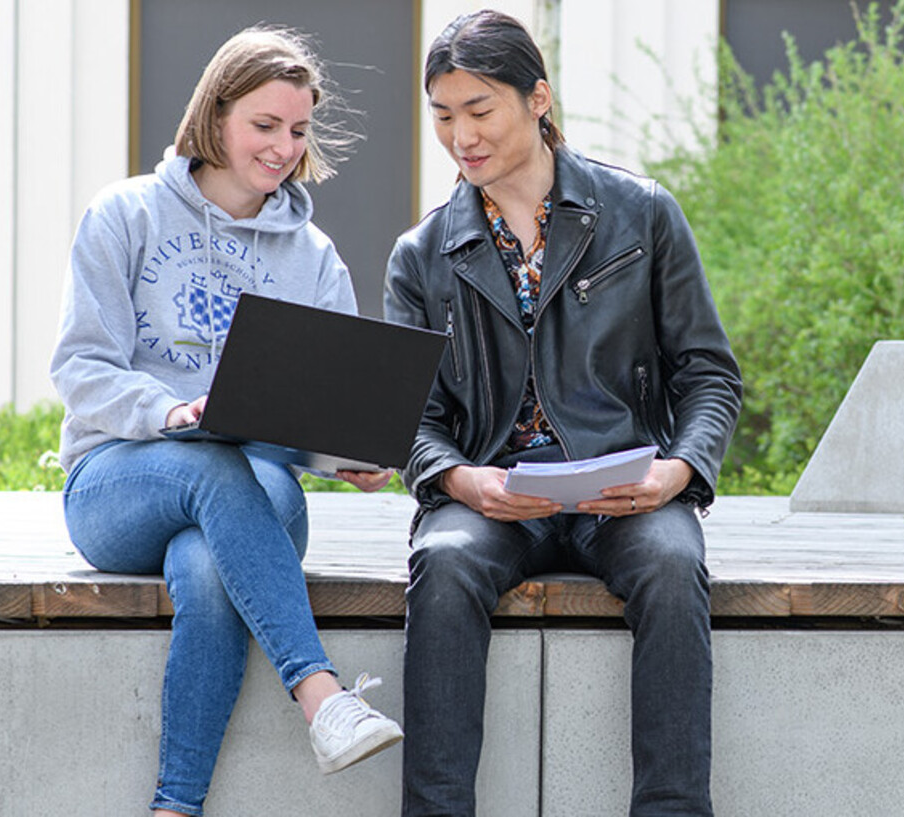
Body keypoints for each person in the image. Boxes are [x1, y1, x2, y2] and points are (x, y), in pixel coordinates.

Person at [384, 10, 743, 816]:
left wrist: (676, 470)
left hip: (626, 486)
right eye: (443, 115)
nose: (460, 136)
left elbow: (710, 374)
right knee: (441, 564)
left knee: (671, 562)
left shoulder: (642, 214)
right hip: (494, 497)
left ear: (537, 98)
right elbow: (412, 419)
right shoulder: (421, 254)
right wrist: (464, 481)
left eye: (480, 110)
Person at [50, 26, 400, 817]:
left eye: (299, 130)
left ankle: (176, 808)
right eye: (265, 125)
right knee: (206, 458)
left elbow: (327, 399)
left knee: (209, 568)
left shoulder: (312, 255)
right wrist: (172, 409)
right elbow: (80, 369)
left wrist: (346, 451)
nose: (283, 147)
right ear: (216, 115)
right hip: (120, 478)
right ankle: (322, 696)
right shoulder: (124, 215)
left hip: (258, 490)